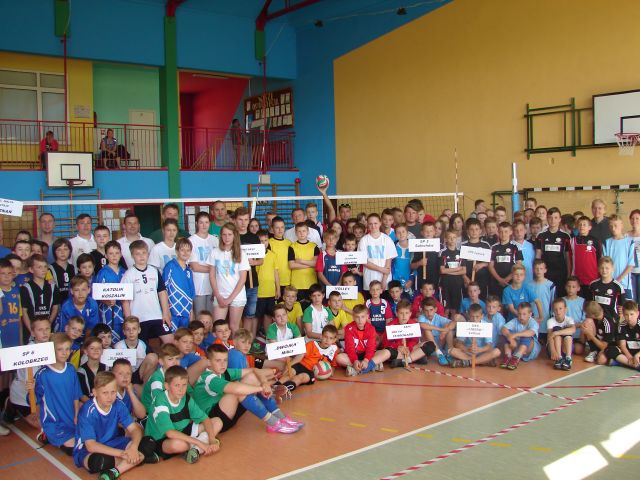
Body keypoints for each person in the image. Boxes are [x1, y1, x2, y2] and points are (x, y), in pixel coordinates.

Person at [193, 344, 300, 435]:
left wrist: (264, 383)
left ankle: (280, 417)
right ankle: (274, 423)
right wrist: (261, 388)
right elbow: (236, 389)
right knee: (237, 390)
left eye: (225, 360)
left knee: (253, 377)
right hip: (214, 421)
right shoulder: (209, 378)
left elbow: (254, 370)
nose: (223, 364)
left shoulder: (224, 372)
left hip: (226, 413)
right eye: (218, 361)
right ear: (209, 362)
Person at [73, 371, 152, 480]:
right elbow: (91, 445)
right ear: (95, 392)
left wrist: (133, 448)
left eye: (113, 392)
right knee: (99, 462)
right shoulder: (87, 411)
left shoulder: (118, 404)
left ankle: (115, 471)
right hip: (87, 450)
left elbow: (134, 429)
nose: (109, 397)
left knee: (148, 443)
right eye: (105, 393)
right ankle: (138, 459)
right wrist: (122, 454)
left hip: (113, 442)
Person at [143, 366, 220, 463]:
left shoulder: (186, 398)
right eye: (177, 385)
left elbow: (205, 419)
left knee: (217, 422)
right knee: (178, 445)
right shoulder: (160, 401)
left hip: (182, 430)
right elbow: (170, 433)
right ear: (166, 386)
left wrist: (212, 440)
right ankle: (200, 444)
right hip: (162, 439)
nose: (181, 389)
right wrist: (199, 442)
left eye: (184, 385)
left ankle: (195, 450)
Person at [34, 332, 82, 453]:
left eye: (67, 349)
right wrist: (30, 388)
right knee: (73, 449)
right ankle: (47, 434)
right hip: (55, 423)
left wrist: (76, 415)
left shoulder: (71, 369)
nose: (64, 353)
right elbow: (34, 400)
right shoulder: (43, 374)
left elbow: (76, 395)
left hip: (72, 418)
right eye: (60, 349)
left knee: (87, 441)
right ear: (52, 350)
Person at [121, 240, 173, 345]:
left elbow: (162, 292)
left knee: (170, 342)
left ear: (148, 254)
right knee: (142, 346)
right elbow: (125, 300)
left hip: (156, 315)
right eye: (137, 254)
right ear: (132, 256)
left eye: (144, 253)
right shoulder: (128, 275)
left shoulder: (154, 271)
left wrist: (165, 313)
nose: (141, 256)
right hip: (138, 318)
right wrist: (128, 320)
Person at [208, 223, 250, 333]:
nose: (227, 237)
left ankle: (235, 345)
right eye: (224, 234)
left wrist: (229, 299)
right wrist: (218, 295)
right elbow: (212, 276)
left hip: (237, 296)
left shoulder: (241, 253)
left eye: (230, 234)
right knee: (218, 327)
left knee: (234, 327)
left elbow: (242, 279)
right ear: (221, 236)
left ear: (234, 235)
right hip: (220, 295)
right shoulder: (215, 252)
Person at [278, 324, 339, 391]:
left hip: (311, 372)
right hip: (301, 365)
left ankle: (286, 387)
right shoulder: (312, 344)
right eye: (325, 337)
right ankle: (277, 385)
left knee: (301, 378)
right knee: (290, 373)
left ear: (334, 340)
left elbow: (333, 365)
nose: (327, 340)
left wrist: (330, 372)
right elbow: (300, 356)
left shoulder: (334, 349)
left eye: (331, 338)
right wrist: (289, 365)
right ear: (321, 336)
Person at [235, 208, 263, 339]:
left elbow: (261, 260)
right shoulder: (232, 236)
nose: (243, 223)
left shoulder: (254, 237)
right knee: (236, 315)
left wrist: (254, 262)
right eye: (240, 219)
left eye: (246, 219)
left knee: (250, 314)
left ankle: (246, 341)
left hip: (252, 281)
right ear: (235, 220)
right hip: (235, 282)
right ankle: (237, 341)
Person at [371, 300, 424, 368]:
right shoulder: (391, 326)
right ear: (396, 313)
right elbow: (386, 344)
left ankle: (406, 360)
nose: (404, 316)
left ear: (410, 314)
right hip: (396, 351)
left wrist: (409, 348)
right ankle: (415, 357)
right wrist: (398, 347)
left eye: (406, 313)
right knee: (388, 351)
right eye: (401, 313)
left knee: (429, 345)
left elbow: (415, 341)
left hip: (409, 349)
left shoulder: (414, 324)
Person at [19, 255, 60, 342]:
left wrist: (48, 324)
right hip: (31, 332)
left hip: (48, 330)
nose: (43, 270)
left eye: (45, 266)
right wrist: (31, 330)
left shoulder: (52, 286)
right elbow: (24, 312)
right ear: (31, 269)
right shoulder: (25, 288)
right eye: (39, 267)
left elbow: (55, 307)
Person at [95, 241, 127, 342]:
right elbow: (97, 294)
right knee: (108, 340)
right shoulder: (102, 273)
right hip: (108, 313)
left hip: (123, 311)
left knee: (124, 338)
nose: (114, 256)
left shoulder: (125, 272)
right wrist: (106, 301)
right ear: (106, 255)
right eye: (111, 253)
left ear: (121, 254)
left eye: (117, 253)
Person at [114, 316, 159, 387]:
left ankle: (145, 387)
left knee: (153, 357)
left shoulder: (143, 344)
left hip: (139, 374)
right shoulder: (118, 346)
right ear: (124, 332)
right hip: (124, 375)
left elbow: (152, 362)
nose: (131, 332)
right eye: (128, 329)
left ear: (139, 330)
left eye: (134, 329)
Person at [536, 207, 571, 296]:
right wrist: (537, 272)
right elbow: (538, 255)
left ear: (559, 219)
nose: (553, 220)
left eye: (555, 217)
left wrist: (569, 274)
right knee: (546, 296)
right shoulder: (541, 235)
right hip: (545, 273)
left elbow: (568, 257)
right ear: (547, 219)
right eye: (550, 217)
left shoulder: (565, 236)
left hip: (561, 273)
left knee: (559, 297)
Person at [189, 211, 219, 314]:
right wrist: (214, 269)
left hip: (213, 284)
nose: (204, 225)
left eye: (206, 222)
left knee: (211, 316)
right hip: (199, 285)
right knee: (200, 315)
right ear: (196, 223)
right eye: (201, 222)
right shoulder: (191, 241)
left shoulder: (215, 240)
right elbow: (195, 267)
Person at [162, 237, 195, 331]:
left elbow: (191, 293)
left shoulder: (189, 271)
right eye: (182, 250)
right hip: (173, 310)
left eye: (188, 250)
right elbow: (163, 289)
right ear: (177, 251)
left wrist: (191, 311)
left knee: (184, 336)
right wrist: (166, 310)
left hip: (186, 311)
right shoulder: (170, 266)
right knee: (172, 336)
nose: (185, 253)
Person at [336, 305, 378, 376]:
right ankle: (368, 366)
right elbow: (350, 347)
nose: (360, 320)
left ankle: (357, 368)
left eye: (362, 317)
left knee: (382, 353)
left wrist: (366, 360)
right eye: (357, 317)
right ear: (353, 317)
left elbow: (371, 348)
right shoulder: (349, 328)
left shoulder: (371, 329)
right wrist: (354, 361)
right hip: (354, 355)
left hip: (366, 355)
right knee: (339, 358)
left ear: (367, 316)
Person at [359, 213, 397, 291]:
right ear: (367, 224)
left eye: (375, 223)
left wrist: (384, 281)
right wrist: (381, 269)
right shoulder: (363, 240)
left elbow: (388, 263)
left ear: (380, 223)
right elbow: (364, 261)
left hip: (385, 281)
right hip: (369, 281)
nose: (373, 226)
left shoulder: (387, 239)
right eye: (370, 224)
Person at [140, 343, 182, 412]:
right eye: (170, 359)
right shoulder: (156, 378)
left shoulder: (178, 374)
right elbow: (158, 400)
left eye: (177, 358)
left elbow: (188, 392)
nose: (175, 363)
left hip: (168, 406)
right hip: (152, 411)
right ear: (161, 361)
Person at [500, 302, 540, 370]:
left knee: (526, 336)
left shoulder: (533, 322)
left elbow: (531, 332)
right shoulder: (515, 320)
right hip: (517, 347)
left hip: (530, 350)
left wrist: (515, 335)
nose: (521, 317)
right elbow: (503, 328)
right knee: (506, 335)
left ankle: (517, 357)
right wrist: (510, 337)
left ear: (530, 314)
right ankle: (508, 356)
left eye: (524, 314)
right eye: (519, 314)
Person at [287, 222, 319, 306]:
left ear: (308, 232)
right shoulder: (292, 247)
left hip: (311, 283)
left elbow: (316, 264)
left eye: (304, 231)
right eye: (299, 231)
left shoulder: (314, 246)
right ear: (295, 233)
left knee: (311, 308)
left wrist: (301, 261)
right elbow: (291, 265)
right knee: (298, 308)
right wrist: (310, 264)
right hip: (297, 283)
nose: (302, 233)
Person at [603, 214, 634, 300]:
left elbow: (631, 265)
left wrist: (618, 280)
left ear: (621, 225)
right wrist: (611, 281)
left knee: (625, 307)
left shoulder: (629, 242)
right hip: (610, 283)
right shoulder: (607, 243)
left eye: (615, 225)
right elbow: (604, 263)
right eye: (611, 226)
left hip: (625, 284)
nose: (613, 228)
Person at [488, 222, 523, 297]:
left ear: (511, 232)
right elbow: (490, 266)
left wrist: (507, 279)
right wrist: (500, 280)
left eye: (506, 231)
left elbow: (519, 266)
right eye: (501, 232)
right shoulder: (493, 247)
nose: (503, 234)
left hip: (511, 282)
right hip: (496, 282)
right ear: (498, 232)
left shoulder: (516, 247)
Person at [571, 215, 602, 298]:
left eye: (584, 224)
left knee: (590, 302)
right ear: (577, 226)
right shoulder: (572, 241)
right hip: (577, 278)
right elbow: (569, 259)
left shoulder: (595, 241)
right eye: (580, 224)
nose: (582, 226)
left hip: (592, 278)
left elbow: (599, 259)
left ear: (590, 227)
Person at [256, 229, 279, 335]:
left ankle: (267, 335)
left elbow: (276, 273)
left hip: (270, 291)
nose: (263, 243)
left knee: (268, 315)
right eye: (260, 241)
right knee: (257, 316)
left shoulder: (273, 255)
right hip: (259, 292)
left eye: (265, 240)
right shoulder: (254, 256)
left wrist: (278, 289)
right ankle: (255, 335)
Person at [417, 297, 453, 365]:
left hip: (440, 344)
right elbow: (422, 325)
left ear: (435, 309)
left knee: (449, 330)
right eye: (426, 310)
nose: (429, 313)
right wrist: (441, 329)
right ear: (423, 311)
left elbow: (453, 323)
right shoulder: (421, 317)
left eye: (431, 310)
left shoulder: (438, 317)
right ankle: (439, 354)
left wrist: (445, 331)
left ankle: (450, 353)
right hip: (428, 347)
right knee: (427, 330)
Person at [589, 256, 624, 324]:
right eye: (602, 268)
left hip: (612, 320)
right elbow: (589, 303)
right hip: (596, 320)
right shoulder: (593, 285)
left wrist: (619, 318)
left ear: (613, 269)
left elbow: (621, 306)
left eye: (607, 268)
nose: (604, 270)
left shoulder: (618, 286)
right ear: (598, 269)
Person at [439, 229, 466, 317]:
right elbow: (442, 270)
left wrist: (449, 271)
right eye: (449, 237)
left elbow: (464, 271)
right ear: (446, 239)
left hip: (457, 284)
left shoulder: (460, 253)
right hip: (445, 284)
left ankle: (454, 325)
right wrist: (457, 269)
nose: (452, 239)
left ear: (457, 239)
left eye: (454, 237)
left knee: (455, 310)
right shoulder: (443, 252)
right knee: (446, 310)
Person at [529, 259, 555, 345]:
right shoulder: (529, 285)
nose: (539, 271)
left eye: (541, 268)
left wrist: (552, 316)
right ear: (533, 270)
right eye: (536, 268)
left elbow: (553, 302)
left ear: (545, 270)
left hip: (546, 318)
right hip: (533, 318)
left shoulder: (551, 285)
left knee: (545, 342)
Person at [410, 221, 441, 291]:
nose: (428, 233)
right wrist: (419, 263)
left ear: (434, 232)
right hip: (421, 279)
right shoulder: (417, 246)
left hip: (435, 279)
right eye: (426, 231)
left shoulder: (439, 246)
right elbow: (411, 266)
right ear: (422, 232)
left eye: (431, 231)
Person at [546, 298, 576, 370]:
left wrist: (556, 333)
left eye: (560, 308)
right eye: (555, 309)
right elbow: (550, 337)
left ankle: (568, 359)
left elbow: (573, 329)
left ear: (565, 309)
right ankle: (559, 358)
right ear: (553, 310)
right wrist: (553, 350)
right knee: (556, 332)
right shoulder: (550, 321)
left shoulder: (569, 319)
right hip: (554, 348)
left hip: (565, 347)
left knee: (568, 335)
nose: (558, 312)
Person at [611, 300, 640, 369]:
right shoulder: (621, 326)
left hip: (638, 352)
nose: (629, 318)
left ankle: (621, 362)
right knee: (610, 350)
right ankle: (635, 365)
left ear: (637, 314)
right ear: (623, 315)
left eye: (631, 314)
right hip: (628, 352)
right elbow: (623, 345)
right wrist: (630, 357)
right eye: (626, 315)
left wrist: (637, 355)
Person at [77, 336, 107, 402]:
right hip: (88, 404)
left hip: (105, 403)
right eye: (92, 348)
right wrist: (95, 405)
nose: (96, 350)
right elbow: (81, 395)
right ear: (85, 351)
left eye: (99, 348)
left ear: (102, 351)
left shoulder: (106, 369)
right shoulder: (81, 371)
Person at [268, 216, 293, 296]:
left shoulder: (289, 243)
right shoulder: (269, 243)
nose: (280, 230)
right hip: (274, 281)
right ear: (272, 229)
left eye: (282, 227)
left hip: (288, 280)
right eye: (277, 227)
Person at [627, 209, 640, 302]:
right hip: (630, 271)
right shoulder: (626, 236)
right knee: (632, 299)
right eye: (632, 218)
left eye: (637, 218)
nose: (634, 220)